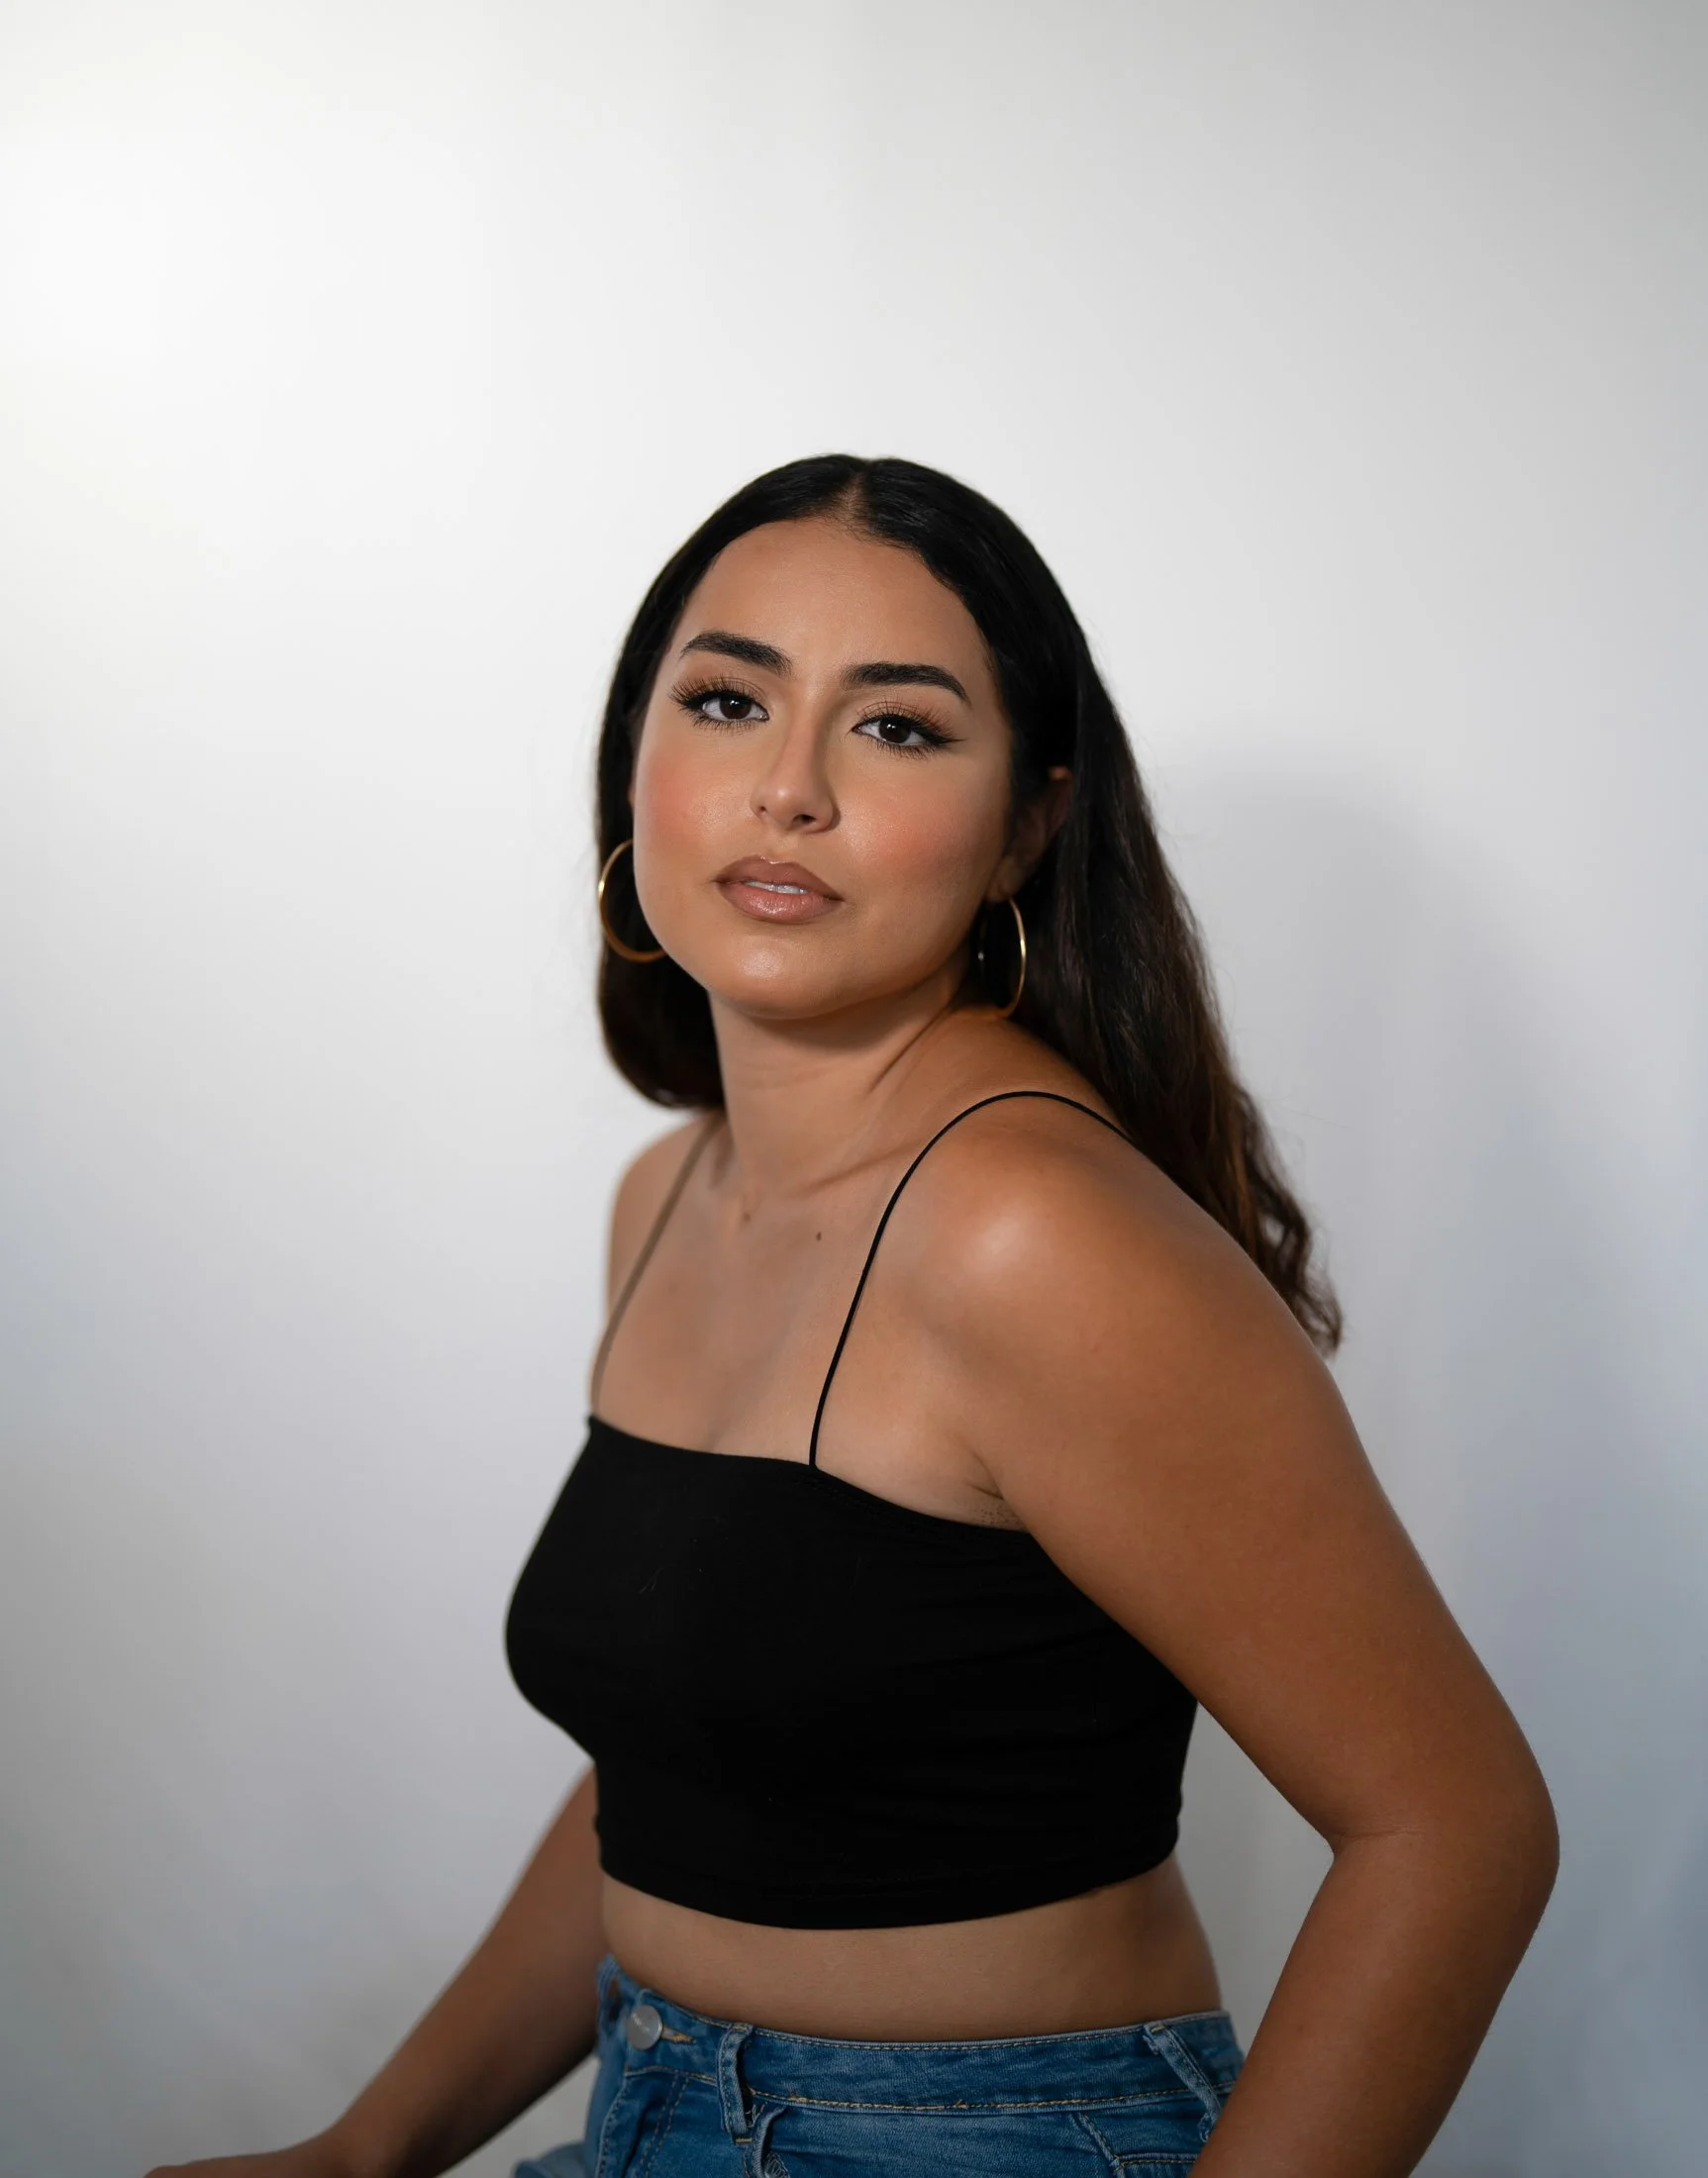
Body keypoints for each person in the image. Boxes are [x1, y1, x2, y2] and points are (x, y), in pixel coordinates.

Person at [149, 454, 1557, 2178]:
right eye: (730, 699)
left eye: (896, 727)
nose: (787, 790)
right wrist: (367, 2149)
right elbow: (674, 1785)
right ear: (635, 764)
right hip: (648, 2107)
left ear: (1030, 822)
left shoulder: (1031, 1236)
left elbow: (1457, 1827)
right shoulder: (668, 1197)